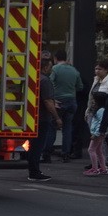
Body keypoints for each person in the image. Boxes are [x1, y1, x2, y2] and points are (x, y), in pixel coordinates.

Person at [27, 54, 61, 182]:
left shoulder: (33, 78)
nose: (51, 69)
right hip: (42, 118)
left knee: (33, 146)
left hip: (32, 117)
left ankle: (33, 170)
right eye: (50, 67)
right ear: (45, 67)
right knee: (37, 146)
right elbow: (47, 101)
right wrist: (57, 117)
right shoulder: (45, 80)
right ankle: (34, 172)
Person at [48, 50, 83, 162]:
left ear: (55, 58)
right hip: (71, 102)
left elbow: (49, 83)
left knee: (52, 127)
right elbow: (80, 87)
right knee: (67, 128)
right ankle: (66, 154)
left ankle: (46, 153)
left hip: (58, 102)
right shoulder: (74, 70)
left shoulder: (55, 69)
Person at [83, 91, 108, 176]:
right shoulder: (102, 109)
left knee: (91, 150)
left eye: (94, 99)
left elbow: (100, 123)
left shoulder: (100, 111)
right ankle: (103, 168)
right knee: (99, 151)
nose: (93, 101)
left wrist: (95, 134)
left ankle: (95, 169)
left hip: (98, 134)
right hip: (100, 133)